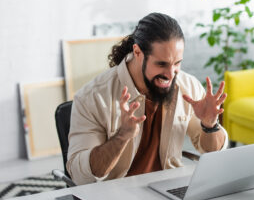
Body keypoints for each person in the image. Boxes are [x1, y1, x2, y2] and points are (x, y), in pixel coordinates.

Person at [67, 13, 229, 185]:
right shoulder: (93, 97)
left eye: (177, 63)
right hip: (116, 193)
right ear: (137, 52)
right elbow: (80, 176)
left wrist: (210, 125)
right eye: (161, 64)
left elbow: (212, 151)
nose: (171, 74)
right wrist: (121, 136)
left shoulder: (187, 86)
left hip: (168, 189)